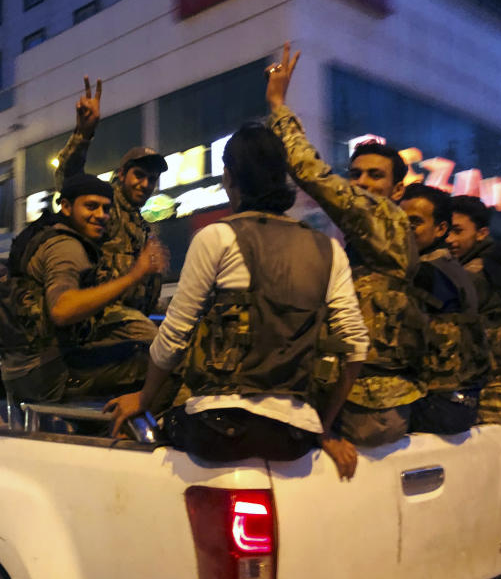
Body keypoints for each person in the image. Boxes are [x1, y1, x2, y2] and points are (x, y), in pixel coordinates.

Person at [105, 123, 369, 480]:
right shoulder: (329, 249)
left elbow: (172, 339)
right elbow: (356, 347)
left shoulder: (216, 236)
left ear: (230, 178)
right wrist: (322, 425)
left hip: (219, 427)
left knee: (136, 440)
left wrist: (145, 398)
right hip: (294, 435)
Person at [264, 43, 427, 447]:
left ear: (397, 188)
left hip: (368, 402)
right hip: (371, 396)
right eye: (356, 175)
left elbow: (309, 171)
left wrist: (277, 104)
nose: (363, 184)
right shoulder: (381, 233)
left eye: (376, 176)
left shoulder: (380, 216)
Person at [0, 173, 169, 408]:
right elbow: (63, 309)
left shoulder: (45, 234)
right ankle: (140, 439)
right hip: (50, 374)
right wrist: (135, 275)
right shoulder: (66, 247)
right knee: (161, 366)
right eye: (91, 207)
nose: (100, 216)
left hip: (25, 374)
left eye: (106, 209)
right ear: (66, 206)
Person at [53, 77, 168, 333]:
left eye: (152, 179)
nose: (145, 184)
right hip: (98, 319)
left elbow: (139, 290)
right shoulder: (106, 204)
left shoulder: (142, 225)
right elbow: (69, 180)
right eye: (139, 175)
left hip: (128, 320)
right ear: (123, 173)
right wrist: (83, 134)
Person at [400, 184, 488, 434]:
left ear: (441, 229)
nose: (404, 229)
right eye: (400, 221)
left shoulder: (426, 273)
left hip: (437, 406)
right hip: (462, 404)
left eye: (414, 222)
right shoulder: (450, 267)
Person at [447, 195, 501, 425]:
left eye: (458, 231)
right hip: (500, 384)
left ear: (481, 233)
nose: (449, 239)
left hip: (490, 388)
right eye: (446, 230)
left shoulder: (475, 272)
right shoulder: (490, 264)